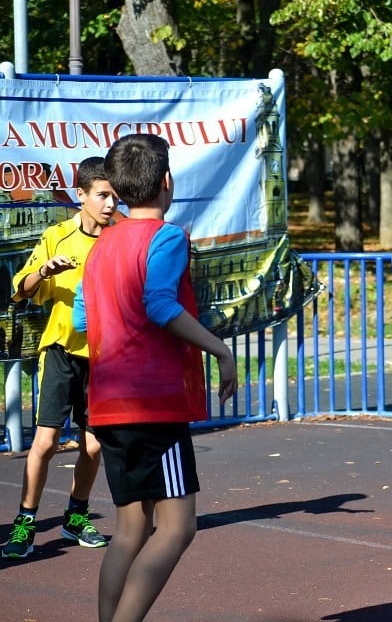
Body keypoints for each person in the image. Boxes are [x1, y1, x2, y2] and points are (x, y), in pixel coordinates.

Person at [73, 133, 238, 622]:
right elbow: (161, 304)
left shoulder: (101, 245)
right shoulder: (167, 236)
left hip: (107, 401)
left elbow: (84, 320)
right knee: (177, 527)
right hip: (153, 404)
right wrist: (221, 349)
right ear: (168, 182)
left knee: (130, 529)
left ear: (119, 189)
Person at [1, 156, 119, 560]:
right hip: (60, 351)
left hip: (105, 358)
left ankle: (75, 517)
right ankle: (25, 523)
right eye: (102, 195)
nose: (109, 205)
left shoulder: (119, 239)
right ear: (81, 195)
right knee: (47, 441)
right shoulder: (57, 236)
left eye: (115, 197)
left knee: (93, 445)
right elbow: (21, 288)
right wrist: (45, 271)